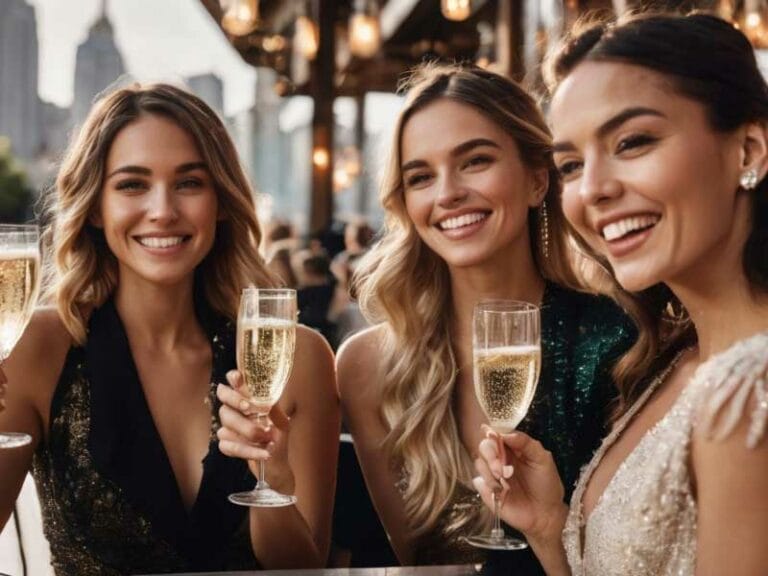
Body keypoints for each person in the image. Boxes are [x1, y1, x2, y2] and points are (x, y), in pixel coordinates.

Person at [0, 83, 339, 574]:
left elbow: (305, 568)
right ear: (95, 206)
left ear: (221, 201)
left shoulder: (297, 356)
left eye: (189, 183)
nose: (162, 210)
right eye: (132, 185)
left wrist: (276, 480)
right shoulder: (39, 348)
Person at [474, 12, 768, 576]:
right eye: (571, 165)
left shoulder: (747, 391)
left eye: (632, 142)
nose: (595, 190)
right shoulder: (671, 360)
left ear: (749, 150)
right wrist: (551, 529)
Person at [336, 63, 635, 568]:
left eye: (474, 161)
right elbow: (418, 563)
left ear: (538, 180)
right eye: (421, 176)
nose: (447, 192)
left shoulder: (616, 342)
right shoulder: (367, 366)